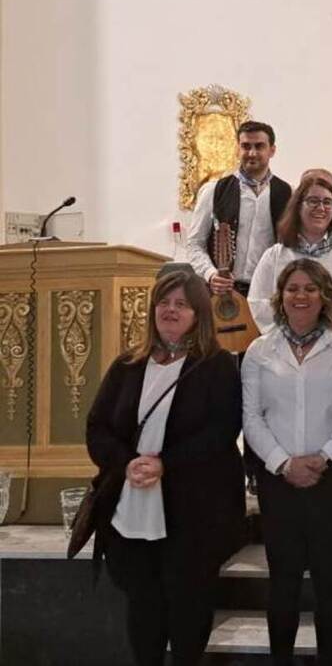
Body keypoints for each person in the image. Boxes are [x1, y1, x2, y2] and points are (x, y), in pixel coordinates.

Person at [86, 269, 244, 666]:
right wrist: (128, 464)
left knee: (189, 610)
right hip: (133, 506)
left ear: (199, 314)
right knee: (143, 609)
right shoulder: (127, 365)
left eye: (181, 304)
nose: (171, 311)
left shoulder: (217, 365)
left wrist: (164, 464)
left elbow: (222, 431)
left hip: (193, 511)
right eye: (164, 302)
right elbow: (97, 428)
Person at [242, 259, 332, 666]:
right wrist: (282, 463)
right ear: (281, 296)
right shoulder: (260, 349)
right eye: (293, 288)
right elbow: (252, 417)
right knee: (283, 581)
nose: (301, 295)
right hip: (279, 482)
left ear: (324, 295)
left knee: (329, 581)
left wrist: (325, 457)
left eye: (310, 288)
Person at [249, 174, 332, 332]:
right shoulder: (275, 255)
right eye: (313, 201)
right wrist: (291, 335)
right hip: (286, 345)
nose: (320, 208)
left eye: (327, 202)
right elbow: (258, 302)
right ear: (298, 206)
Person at [187, 120, 292, 298]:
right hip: (222, 293)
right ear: (238, 149)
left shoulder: (288, 193)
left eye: (259, 146)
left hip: (267, 294)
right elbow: (195, 243)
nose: (252, 153)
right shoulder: (214, 190)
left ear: (272, 150)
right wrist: (211, 274)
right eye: (245, 146)